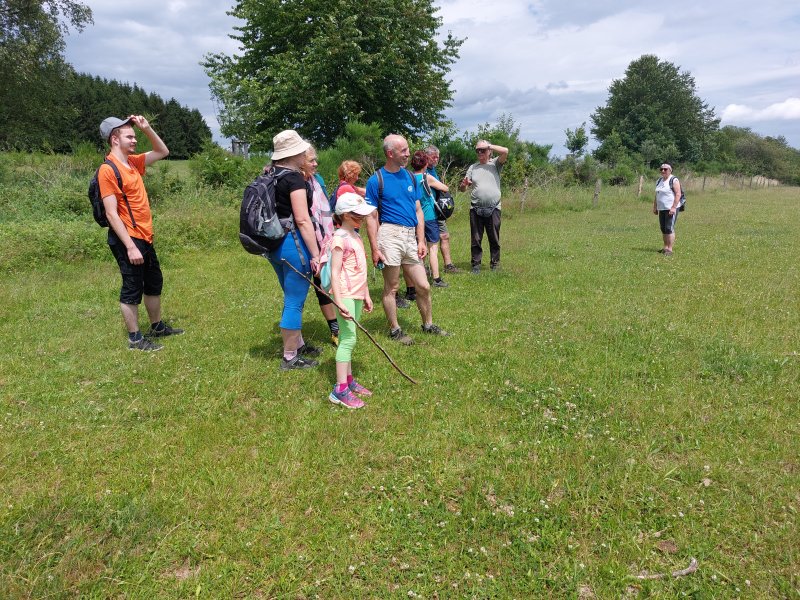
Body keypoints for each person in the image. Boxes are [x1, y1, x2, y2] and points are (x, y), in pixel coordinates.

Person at [98, 115, 182, 352]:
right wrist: (130, 246)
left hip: (145, 236)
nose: (135, 140)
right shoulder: (108, 170)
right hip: (129, 239)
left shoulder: (133, 163)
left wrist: (147, 129)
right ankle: (135, 339)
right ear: (115, 139)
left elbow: (162, 151)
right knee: (132, 287)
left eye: (135, 136)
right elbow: (112, 214)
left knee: (154, 282)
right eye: (130, 136)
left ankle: (156, 327)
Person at [365, 134, 449, 344]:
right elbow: (372, 217)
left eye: (408, 149)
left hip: (410, 236)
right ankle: (395, 330)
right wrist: (375, 248)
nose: (408, 154)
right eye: (403, 151)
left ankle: (428, 324)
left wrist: (421, 240)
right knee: (392, 287)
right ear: (390, 153)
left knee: (424, 285)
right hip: (389, 235)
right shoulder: (376, 180)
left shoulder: (411, 177)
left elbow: (419, 210)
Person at [265, 130, 322, 370]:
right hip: (293, 243)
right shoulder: (294, 179)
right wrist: (317, 254)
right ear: (295, 154)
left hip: (273, 244)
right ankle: (290, 357)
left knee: (290, 293)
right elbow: (302, 219)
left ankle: (297, 344)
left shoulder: (270, 173)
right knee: (294, 300)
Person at [328, 193, 375, 409]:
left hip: (356, 294)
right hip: (344, 295)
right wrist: (339, 302)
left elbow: (360, 269)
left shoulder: (355, 236)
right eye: (359, 216)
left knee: (351, 337)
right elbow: (335, 273)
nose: (363, 220)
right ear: (346, 215)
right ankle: (339, 390)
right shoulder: (339, 239)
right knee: (348, 340)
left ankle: (348, 381)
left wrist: (365, 293)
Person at [303, 146, 339, 345]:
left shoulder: (319, 180)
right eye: (311, 160)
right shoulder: (294, 182)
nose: (316, 164)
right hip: (303, 239)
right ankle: (295, 340)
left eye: (315, 160)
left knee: (324, 282)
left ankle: (335, 327)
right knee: (302, 287)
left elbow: (327, 209)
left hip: (323, 238)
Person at [459, 140, 509, 273]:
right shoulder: (473, 167)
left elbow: (505, 151)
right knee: (476, 238)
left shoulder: (496, 164)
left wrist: (488, 146)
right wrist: (464, 184)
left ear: (489, 151)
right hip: (475, 208)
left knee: (494, 238)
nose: (480, 152)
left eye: (483, 150)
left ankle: (495, 264)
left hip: (494, 208)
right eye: (477, 150)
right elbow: (463, 189)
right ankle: (476, 265)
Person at [411, 150, 450, 288]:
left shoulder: (408, 178)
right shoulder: (426, 177)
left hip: (414, 218)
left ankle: (421, 277)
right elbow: (445, 188)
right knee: (433, 248)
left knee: (419, 248)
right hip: (429, 217)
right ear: (425, 164)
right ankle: (437, 278)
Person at [426, 145, 459, 273]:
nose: (436, 160)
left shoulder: (433, 170)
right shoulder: (422, 171)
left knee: (444, 236)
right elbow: (443, 187)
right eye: (433, 157)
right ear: (426, 156)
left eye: (437, 157)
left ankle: (448, 265)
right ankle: (424, 268)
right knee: (425, 240)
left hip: (438, 209)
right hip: (427, 210)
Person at [653, 163, 683, 256]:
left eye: (665, 169)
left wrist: (673, 207)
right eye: (661, 169)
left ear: (670, 170)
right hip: (661, 208)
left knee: (669, 228)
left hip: (671, 208)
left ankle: (670, 249)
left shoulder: (674, 180)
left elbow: (678, 194)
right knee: (663, 228)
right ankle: (665, 247)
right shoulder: (659, 181)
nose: (663, 171)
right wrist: (655, 206)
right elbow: (657, 195)